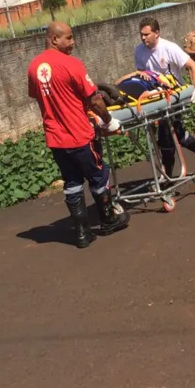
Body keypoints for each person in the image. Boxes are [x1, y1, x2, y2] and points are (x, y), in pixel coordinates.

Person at [27, 22, 130, 249]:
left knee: (72, 181)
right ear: (54, 39)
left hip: (56, 138)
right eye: (69, 38)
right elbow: (95, 99)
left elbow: (37, 96)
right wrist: (110, 121)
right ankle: (108, 220)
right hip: (79, 134)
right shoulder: (72, 64)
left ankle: (82, 233)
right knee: (98, 176)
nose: (73, 42)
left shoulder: (34, 67)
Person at [120, 16, 195, 178]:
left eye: (146, 34)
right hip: (154, 97)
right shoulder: (139, 51)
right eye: (141, 35)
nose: (143, 38)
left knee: (167, 135)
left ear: (157, 33)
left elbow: (193, 66)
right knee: (177, 135)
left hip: (173, 96)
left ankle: (168, 175)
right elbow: (141, 73)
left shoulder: (169, 48)